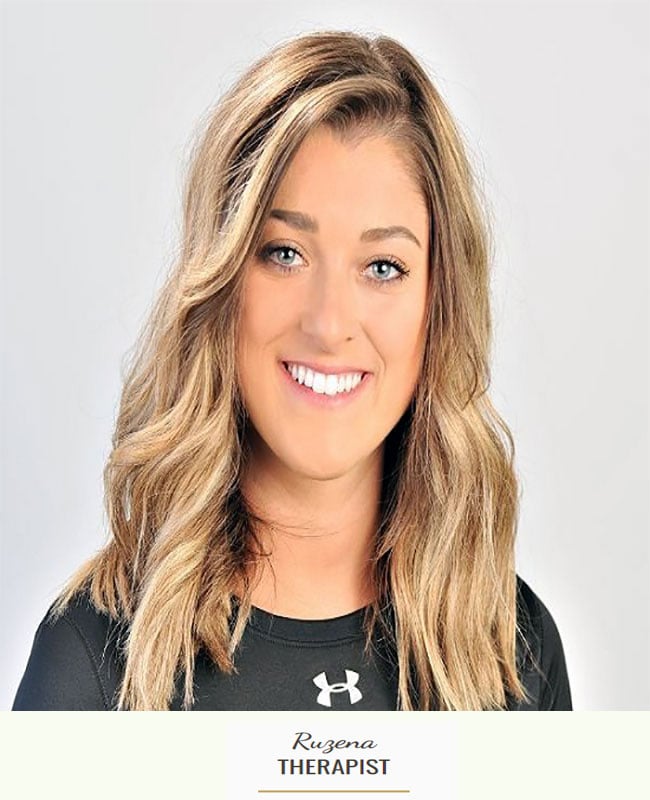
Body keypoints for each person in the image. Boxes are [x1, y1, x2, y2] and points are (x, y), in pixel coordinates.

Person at [12, 29, 572, 711]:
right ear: (221, 283)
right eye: (285, 253)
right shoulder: (93, 659)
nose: (329, 323)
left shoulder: (515, 651)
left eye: (383, 267)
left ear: (439, 306)